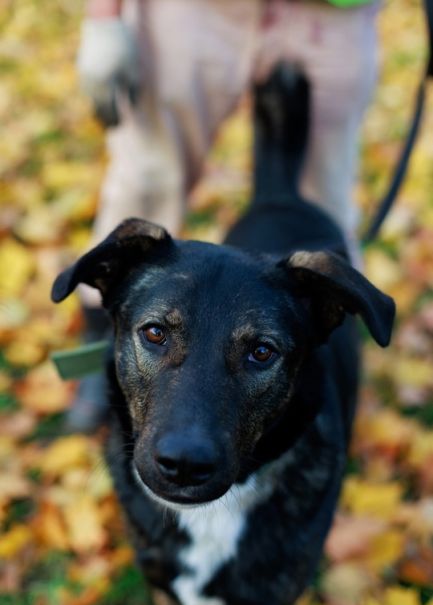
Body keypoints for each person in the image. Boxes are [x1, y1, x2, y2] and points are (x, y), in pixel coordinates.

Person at [71, 0, 380, 430]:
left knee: (318, 222)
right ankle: (102, 348)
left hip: (332, 15)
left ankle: (310, 394)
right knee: (146, 185)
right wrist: (102, 21)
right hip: (195, 11)